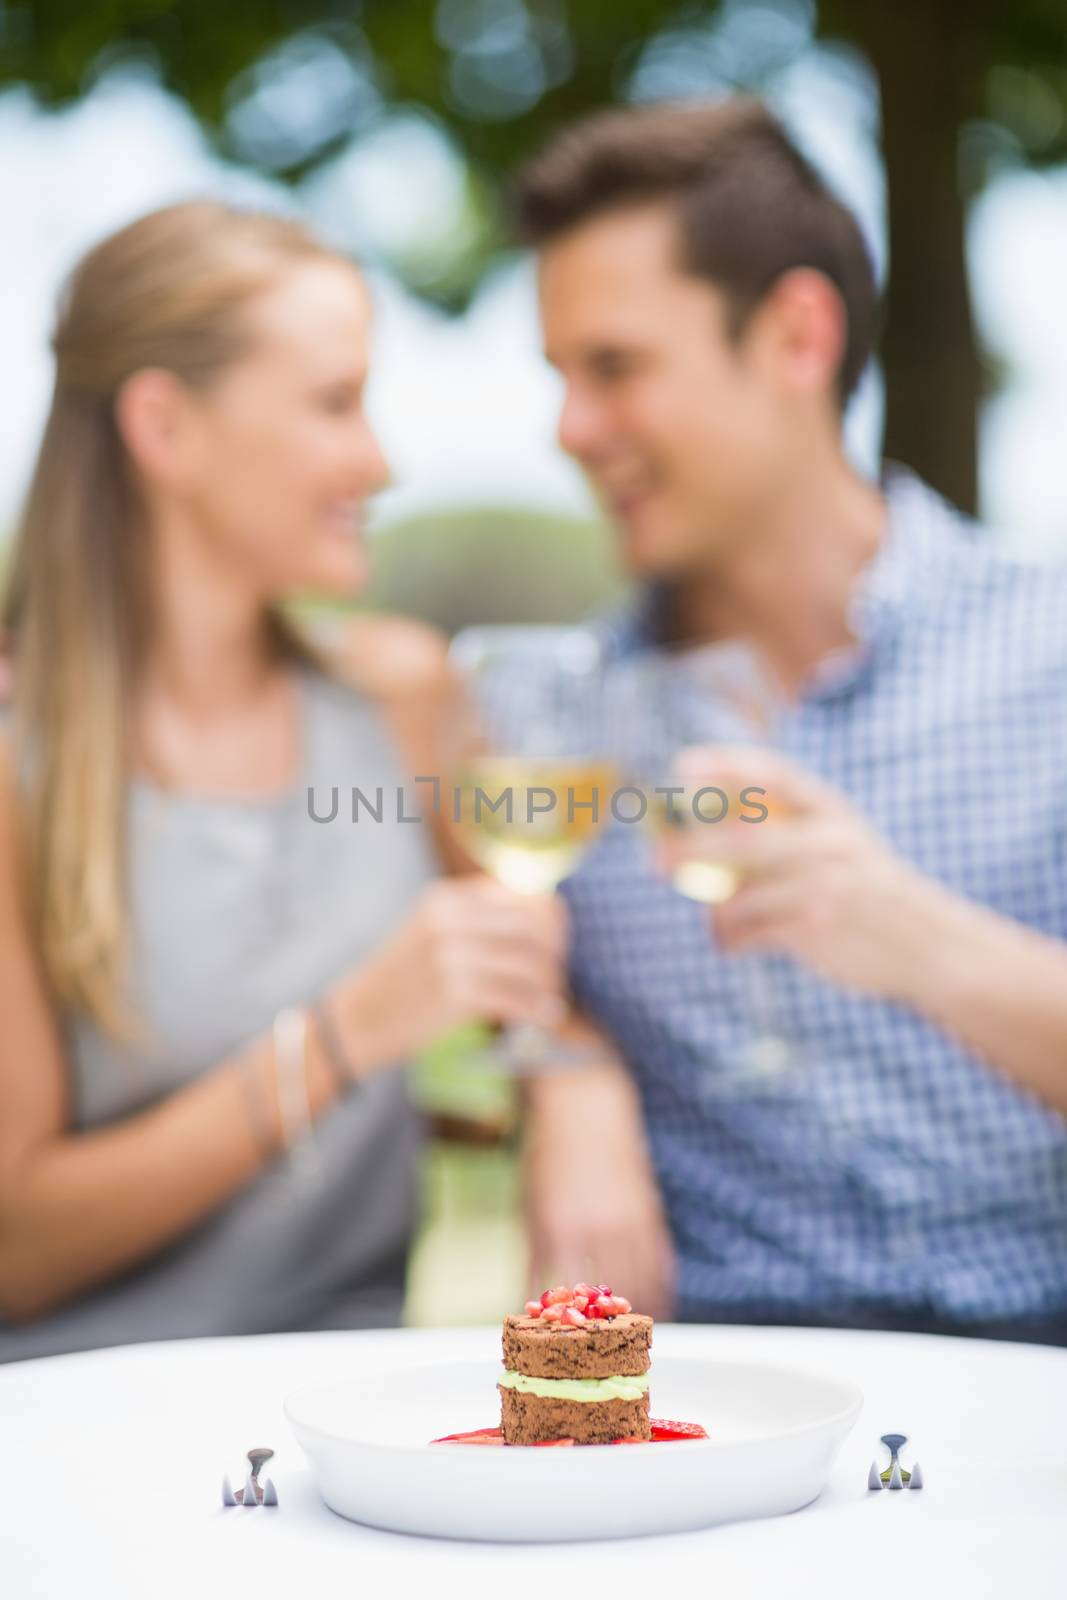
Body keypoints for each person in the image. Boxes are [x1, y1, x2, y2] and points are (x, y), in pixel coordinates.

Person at [515, 98, 1067, 1343]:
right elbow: (508, 966)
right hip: (732, 1406)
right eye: (557, 377)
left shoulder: (1047, 651)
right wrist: (570, 1075)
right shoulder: (562, 734)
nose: (568, 429)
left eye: (613, 367)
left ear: (794, 335)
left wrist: (922, 944)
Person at [0, 201, 571, 1361]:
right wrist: (345, 1035)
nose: (380, 460)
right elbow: (17, 1245)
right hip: (75, 1432)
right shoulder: (19, 765)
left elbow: (553, 981)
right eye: (331, 402)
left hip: (358, 1419)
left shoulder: (404, 698)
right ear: (166, 427)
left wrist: (583, 1099)